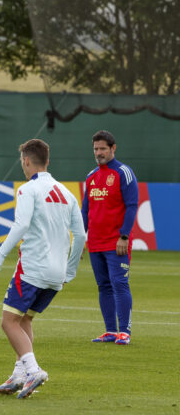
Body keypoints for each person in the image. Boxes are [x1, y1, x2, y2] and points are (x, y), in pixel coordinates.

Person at [0, 139, 86, 399]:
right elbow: (81, 236)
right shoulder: (67, 193)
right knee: (24, 319)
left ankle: (33, 370)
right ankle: (19, 373)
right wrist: (70, 271)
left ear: (26, 161)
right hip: (56, 273)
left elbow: (20, 225)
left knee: (8, 322)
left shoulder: (28, 190)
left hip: (32, 268)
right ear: (47, 161)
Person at [82, 130, 138, 345]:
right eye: (96, 149)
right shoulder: (91, 176)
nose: (99, 153)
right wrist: (81, 239)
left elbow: (132, 206)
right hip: (95, 241)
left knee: (119, 283)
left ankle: (125, 331)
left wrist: (124, 235)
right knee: (103, 285)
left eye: (103, 148)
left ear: (113, 148)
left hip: (116, 242)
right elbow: (85, 211)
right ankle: (110, 331)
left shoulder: (124, 173)